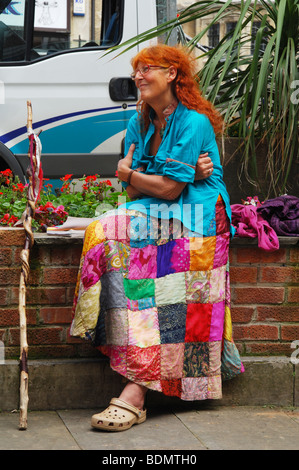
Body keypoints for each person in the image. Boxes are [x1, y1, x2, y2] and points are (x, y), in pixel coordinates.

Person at [70, 44, 243, 432]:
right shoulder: (140, 123)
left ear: (173, 74)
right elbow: (141, 194)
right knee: (104, 231)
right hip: (160, 209)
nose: (139, 77)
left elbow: (165, 188)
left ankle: (137, 388)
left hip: (199, 214)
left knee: (114, 235)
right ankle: (119, 340)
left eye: (148, 69)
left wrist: (129, 174)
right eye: (136, 70)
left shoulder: (193, 122)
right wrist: (141, 181)